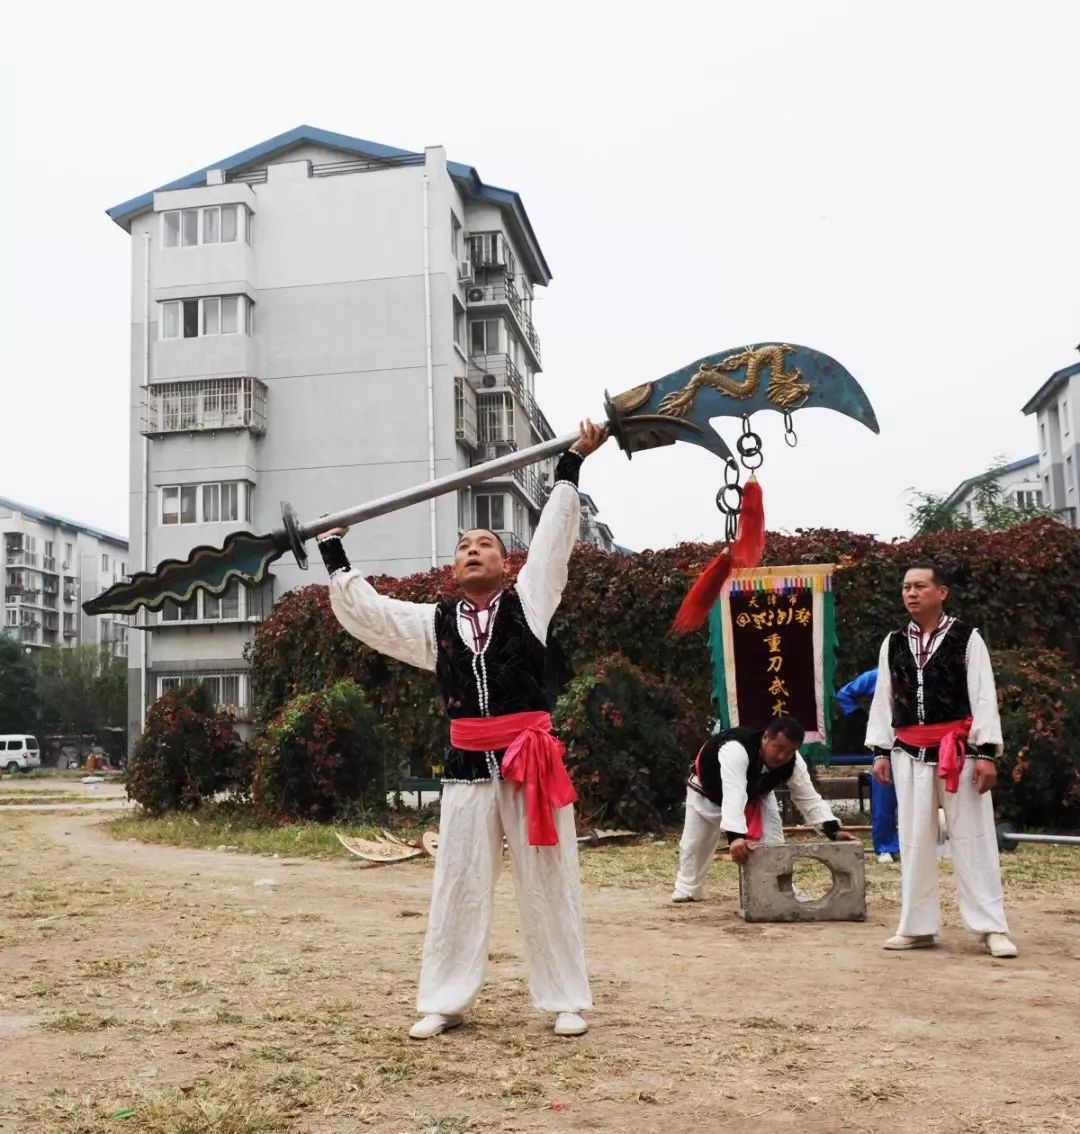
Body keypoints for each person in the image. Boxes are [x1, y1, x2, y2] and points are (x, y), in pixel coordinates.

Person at [316, 421, 607, 1039]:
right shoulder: (435, 625)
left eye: (486, 545)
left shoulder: (531, 601)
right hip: (468, 767)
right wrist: (335, 551)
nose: (473, 550)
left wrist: (571, 464)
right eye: (463, 547)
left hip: (532, 762)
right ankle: (444, 1001)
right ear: (454, 568)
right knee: (459, 883)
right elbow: (373, 615)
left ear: (507, 563)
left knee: (550, 881)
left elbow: (554, 540)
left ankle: (564, 998)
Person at [865, 563, 1016, 958]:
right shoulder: (893, 642)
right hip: (907, 752)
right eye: (906, 587)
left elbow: (984, 696)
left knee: (974, 838)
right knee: (914, 839)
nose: (911, 593)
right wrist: (881, 750)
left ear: (941, 592)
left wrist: (986, 753)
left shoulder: (967, 638)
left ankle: (991, 927)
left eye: (920, 586)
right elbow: (885, 697)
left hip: (959, 752)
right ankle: (917, 927)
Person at [671, 715, 857, 903]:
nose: (783, 756)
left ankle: (781, 890)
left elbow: (808, 797)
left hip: (757, 795)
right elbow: (734, 792)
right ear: (766, 738)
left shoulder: (794, 762)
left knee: (773, 842)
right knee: (695, 844)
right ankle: (687, 888)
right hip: (707, 791)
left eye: (791, 751)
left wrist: (834, 831)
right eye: (779, 748)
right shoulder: (735, 749)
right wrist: (736, 838)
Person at [836, 669, 900, 863]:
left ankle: (916, 845)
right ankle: (886, 847)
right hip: (887, 740)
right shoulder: (880, 674)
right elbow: (844, 694)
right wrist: (860, 717)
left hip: (921, 738)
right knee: (884, 792)